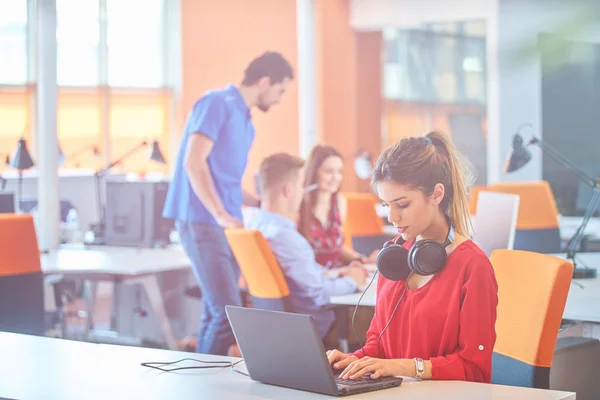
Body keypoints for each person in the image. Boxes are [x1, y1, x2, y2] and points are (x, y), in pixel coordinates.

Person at [327, 131, 498, 383]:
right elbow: (379, 344)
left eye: (403, 205)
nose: (392, 217)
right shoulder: (394, 256)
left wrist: (407, 368)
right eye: (386, 205)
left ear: (436, 194)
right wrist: (356, 360)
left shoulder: (473, 266)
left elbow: (475, 369)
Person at [162, 52, 294, 355]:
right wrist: (220, 212)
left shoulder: (247, 121)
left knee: (216, 311)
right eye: (280, 90)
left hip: (227, 223)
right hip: (202, 220)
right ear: (264, 82)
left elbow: (228, 183)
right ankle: (211, 385)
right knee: (227, 313)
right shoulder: (216, 103)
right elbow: (194, 162)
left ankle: (204, 382)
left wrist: (260, 202)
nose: (279, 99)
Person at [246, 153, 368, 339]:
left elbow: (305, 278)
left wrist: (330, 275)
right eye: (301, 186)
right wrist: (353, 279)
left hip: (279, 327)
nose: (303, 192)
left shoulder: (255, 225)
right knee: (387, 317)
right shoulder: (285, 237)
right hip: (321, 326)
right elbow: (321, 294)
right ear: (288, 190)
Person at [298, 145, 379, 270]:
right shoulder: (299, 204)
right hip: (313, 274)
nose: (336, 177)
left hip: (337, 272)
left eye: (339, 171)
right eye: (328, 171)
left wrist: (362, 259)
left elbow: (337, 248)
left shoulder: (339, 202)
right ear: (314, 172)